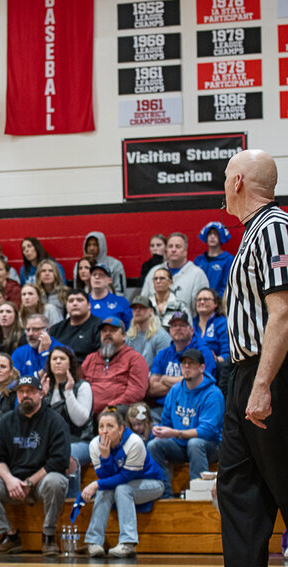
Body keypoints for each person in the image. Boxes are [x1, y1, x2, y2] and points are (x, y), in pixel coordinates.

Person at [218, 149, 288, 567]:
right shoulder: (252, 233)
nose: (224, 185)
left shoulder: (274, 229)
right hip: (242, 374)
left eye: (227, 176)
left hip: (272, 373)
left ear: (239, 181)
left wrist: (262, 384)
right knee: (237, 489)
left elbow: (283, 311)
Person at [0, 375, 69, 556]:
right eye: (21, 392)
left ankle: (48, 536)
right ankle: (9, 536)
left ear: (40, 394)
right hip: (13, 484)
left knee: (57, 481)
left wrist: (30, 482)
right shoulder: (6, 421)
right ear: (16, 396)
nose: (25, 395)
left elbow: (59, 460)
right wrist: (9, 480)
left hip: (41, 483)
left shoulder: (55, 421)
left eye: (30, 391)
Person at [80, 408, 164, 558]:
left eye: (110, 426)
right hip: (123, 484)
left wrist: (95, 484)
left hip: (152, 483)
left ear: (121, 429)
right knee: (106, 489)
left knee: (121, 488)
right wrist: (105, 458)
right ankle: (94, 542)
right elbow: (106, 478)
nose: (104, 431)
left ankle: (128, 542)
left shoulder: (134, 443)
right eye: (101, 426)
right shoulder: (94, 445)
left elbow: (124, 477)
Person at [147, 349, 223, 498]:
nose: (186, 367)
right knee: (153, 445)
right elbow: (166, 421)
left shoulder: (213, 393)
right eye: (184, 363)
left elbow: (207, 431)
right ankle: (165, 496)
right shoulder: (175, 390)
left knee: (195, 443)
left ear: (202, 368)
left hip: (211, 446)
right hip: (181, 445)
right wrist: (160, 432)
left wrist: (176, 433)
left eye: (191, 363)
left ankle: (201, 494)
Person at [42, 346, 93, 498]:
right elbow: (41, 424)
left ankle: (72, 502)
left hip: (80, 440)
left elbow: (80, 420)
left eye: (62, 359)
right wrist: (42, 399)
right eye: (54, 359)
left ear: (70, 364)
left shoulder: (82, 386)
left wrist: (69, 392)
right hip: (53, 443)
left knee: (68, 455)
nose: (58, 362)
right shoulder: (47, 388)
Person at [148, 312, 217, 415]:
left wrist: (165, 379)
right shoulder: (163, 354)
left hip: (194, 407)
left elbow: (200, 383)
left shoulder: (203, 353)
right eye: (174, 326)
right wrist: (186, 382)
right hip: (163, 408)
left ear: (192, 330)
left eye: (182, 325)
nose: (178, 328)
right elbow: (153, 388)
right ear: (170, 331)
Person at [82, 317, 149, 416]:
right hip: (88, 411)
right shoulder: (91, 359)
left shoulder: (135, 359)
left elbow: (136, 392)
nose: (107, 334)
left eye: (113, 330)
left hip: (118, 410)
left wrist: (110, 407)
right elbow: (79, 385)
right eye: (104, 331)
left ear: (124, 336)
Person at [142, 233, 210, 310]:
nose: (173, 250)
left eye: (178, 247)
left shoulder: (197, 274)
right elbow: (143, 302)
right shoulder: (153, 272)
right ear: (166, 250)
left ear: (185, 251)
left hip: (186, 320)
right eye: (170, 246)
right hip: (156, 321)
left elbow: (203, 309)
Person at [49, 289, 103, 363]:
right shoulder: (56, 329)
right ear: (66, 307)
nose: (75, 304)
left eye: (80, 300)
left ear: (89, 305)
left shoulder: (100, 326)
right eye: (71, 301)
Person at [126, 295, 171, 368]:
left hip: (154, 377)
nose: (137, 310)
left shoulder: (161, 336)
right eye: (134, 308)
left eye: (142, 307)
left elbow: (162, 366)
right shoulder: (129, 336)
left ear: (151, 311)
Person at [194, 221, 234, 298]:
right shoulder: (198, 260)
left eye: (216, 234)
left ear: (221, 236)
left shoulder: (228, 260)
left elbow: (227, 285)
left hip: (218, 303)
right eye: (210, 234)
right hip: (199, 301)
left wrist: (217, 301)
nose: (212, 237)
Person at [192, 287, 230, 364]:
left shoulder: (222, 323)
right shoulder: (192, 324)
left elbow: (228, 354)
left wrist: (215, 359)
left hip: (217, 368)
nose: (202, 302)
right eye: (199, 299)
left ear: (215, 303)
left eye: (206, 299)